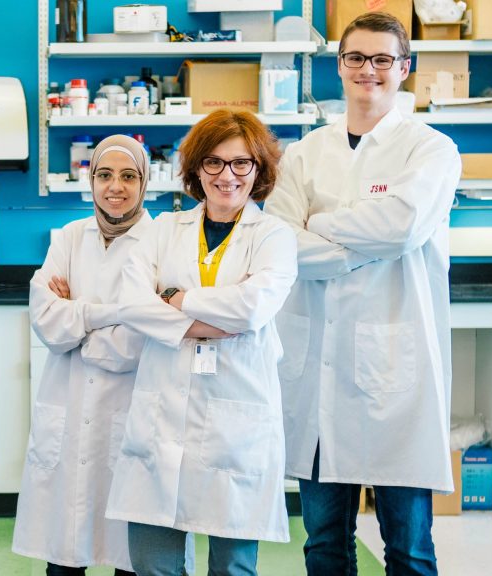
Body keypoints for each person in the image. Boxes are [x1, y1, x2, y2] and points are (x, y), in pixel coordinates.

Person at [264, 12, 462, 576]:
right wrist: (364, 240)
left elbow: (400, 226)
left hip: (396, 373)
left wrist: (321, 223)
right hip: (319, 374)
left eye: (382, 59)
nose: (367, 70)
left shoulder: (432, 151)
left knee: (409, 548)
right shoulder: (303, 153)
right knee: (324, 544)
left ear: (404, 68)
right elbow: (280, 241)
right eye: (355, 58)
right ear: (340, 66)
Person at [106, 109, 298, 576]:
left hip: (238, 422)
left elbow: (252, 308)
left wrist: (176, 300)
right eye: (213, 162)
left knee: (232, 568)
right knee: (153, 566)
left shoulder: (274, 235)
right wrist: (203, 322)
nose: (226, 175)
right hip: (162, 419)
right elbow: (131, 304)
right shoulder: (161, 231)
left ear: (259, 170)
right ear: (195, 170)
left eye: (240, 163)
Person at [12, 135, 154, 576]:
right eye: (105, 175)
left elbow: (144, 335)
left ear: (144, 182)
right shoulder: (71, 236)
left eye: (128, 176)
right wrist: (110, 314)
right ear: (90, 180)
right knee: (65, 555)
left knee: (127, 553)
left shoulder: (161, 240)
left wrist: (79, 319)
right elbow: (48, 321)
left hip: (132, 408)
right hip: (70, 408)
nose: (116, 186)